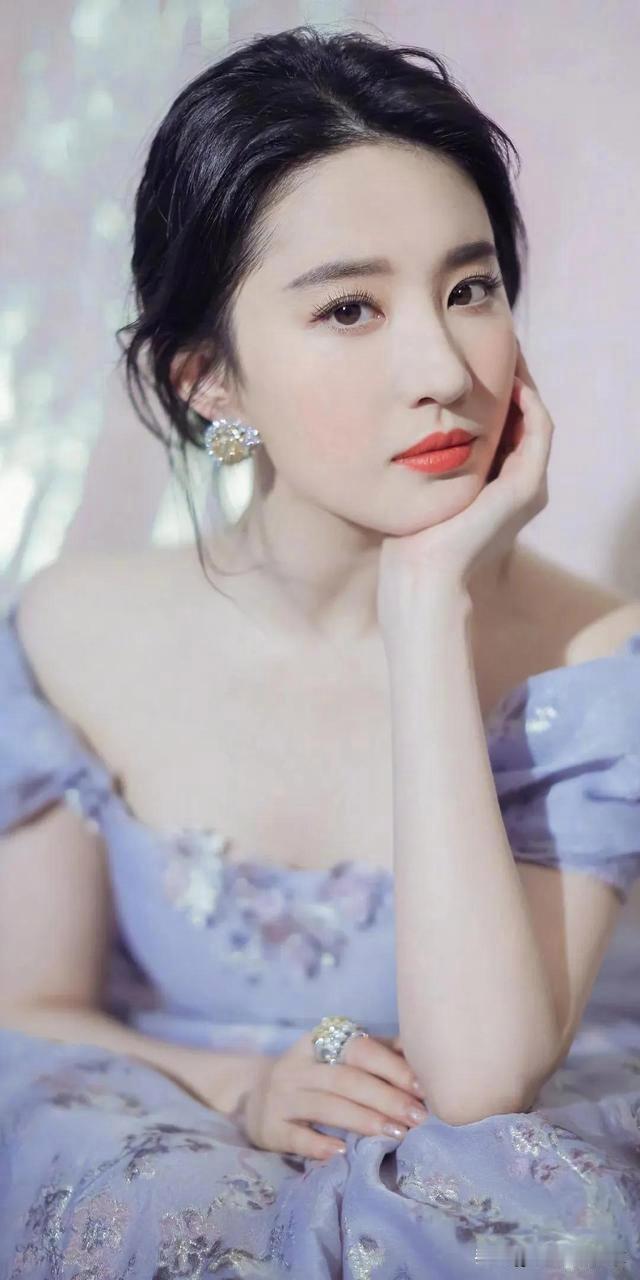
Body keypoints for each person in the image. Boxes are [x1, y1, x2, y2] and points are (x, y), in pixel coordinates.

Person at [1, 24, 639, 1279]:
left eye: (470, 288)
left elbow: (481, 1080)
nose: (443, 369)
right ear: (209, 383)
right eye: (350, 307)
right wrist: (237, 1083)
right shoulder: (74, 631)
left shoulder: (591, 657)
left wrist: (426, 605)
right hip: (171, 1119)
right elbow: (27, 1002)